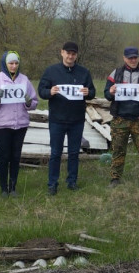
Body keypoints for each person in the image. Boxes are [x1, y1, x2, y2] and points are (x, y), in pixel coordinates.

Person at [38, 41, 96, 196]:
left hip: (76, 119)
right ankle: (52, 184)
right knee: (56, 153)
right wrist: (49, 91)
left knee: (74, 153)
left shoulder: (84, 72)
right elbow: (41, 91)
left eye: (73, 54)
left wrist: (87, 92)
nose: (70, 56)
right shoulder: (51, 71)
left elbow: (92, 91)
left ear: (76, 55)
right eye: (68, 53)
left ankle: (72, 182)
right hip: (57, 119)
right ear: (61, 52)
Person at [0, 51, 38, 198]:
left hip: (20, 124)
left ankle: (13, 187)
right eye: (11, 63)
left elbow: (34, 102)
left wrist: (29, 102)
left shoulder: (25, 80)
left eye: (16, 63)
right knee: (4, 156)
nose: (14, 66)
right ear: (5, 63)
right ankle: (3, 188)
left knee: (16, 156)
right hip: (1, 125)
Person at [104, 47, 139, 190]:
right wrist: (110, 91)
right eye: (130, 58)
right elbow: (106, 93)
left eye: (135, 57)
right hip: (120, 118)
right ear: (124, 58)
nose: (133, 60)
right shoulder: (116, 73)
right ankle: (115, 178)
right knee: (118, 150)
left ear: (138, 58)